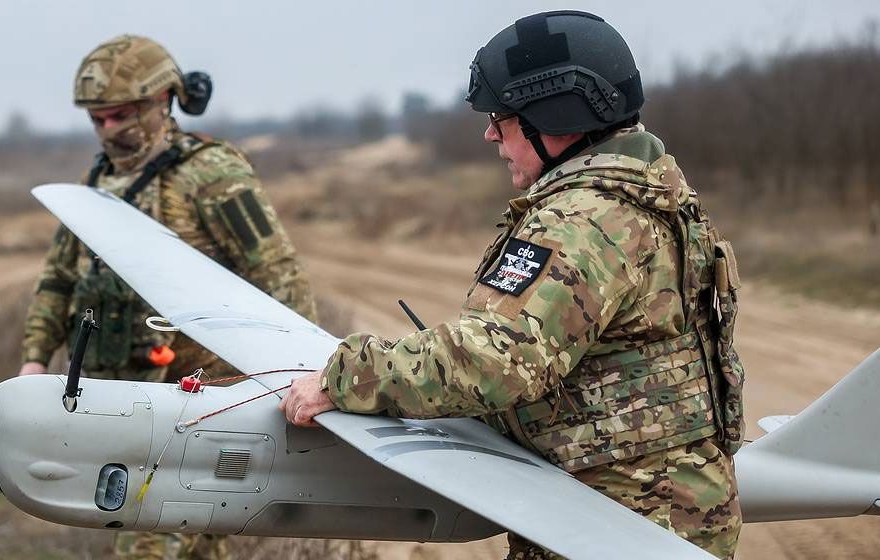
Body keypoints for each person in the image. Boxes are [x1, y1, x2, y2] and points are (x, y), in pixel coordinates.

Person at [280, 11, 745, 560]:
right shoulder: (652, 194)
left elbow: (495, 361)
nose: (490, 133)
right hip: (663, 512)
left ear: (559, 117)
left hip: (614, 519)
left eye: (503, 117)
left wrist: (345, 379)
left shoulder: (582, 221)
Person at [19, 34, 317, 560]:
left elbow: (278, 274)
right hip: (118, 405)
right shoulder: (97, 182)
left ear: (162, 101)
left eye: (120, 115)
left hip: (192, 406)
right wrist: (35, 358)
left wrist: (300, 377)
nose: (109, 129)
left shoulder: (211, 174)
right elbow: (59, 278)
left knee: (151, 545)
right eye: (98, 119)